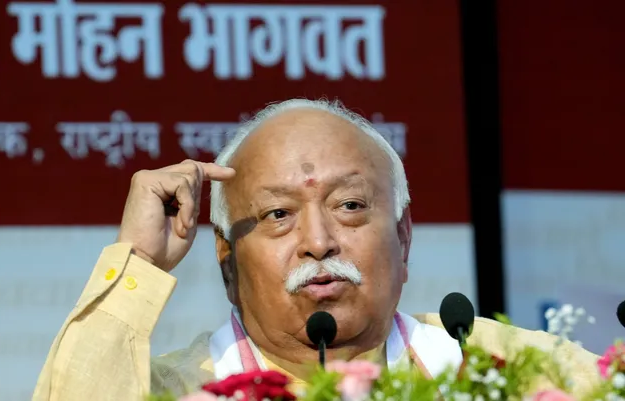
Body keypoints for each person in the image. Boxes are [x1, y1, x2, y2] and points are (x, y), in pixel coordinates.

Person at [32, 99, 599, 401]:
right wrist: (136, 259)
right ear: (226, 259)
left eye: (350, 206)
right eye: (278, 215)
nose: (320, 242)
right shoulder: (180, 391)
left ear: (403, 236)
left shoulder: (513, 373)